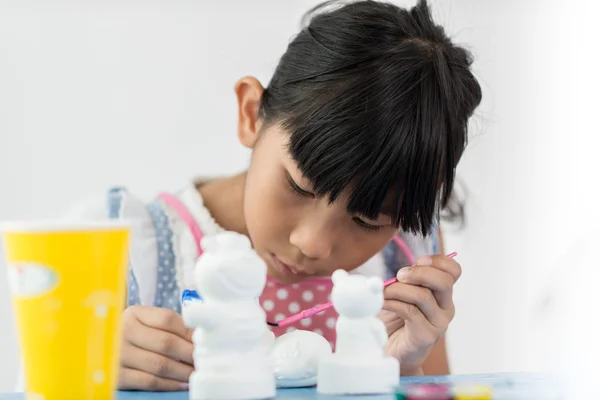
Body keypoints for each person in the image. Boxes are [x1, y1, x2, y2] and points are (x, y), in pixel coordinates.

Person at [66, 0, 482, 391]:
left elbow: (432, 387)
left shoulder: (406, 255)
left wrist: (405, 367)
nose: (312, 244)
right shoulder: (122, 247)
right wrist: (87, 365)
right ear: (251, 113)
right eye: (299, 186)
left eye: (367, 222)